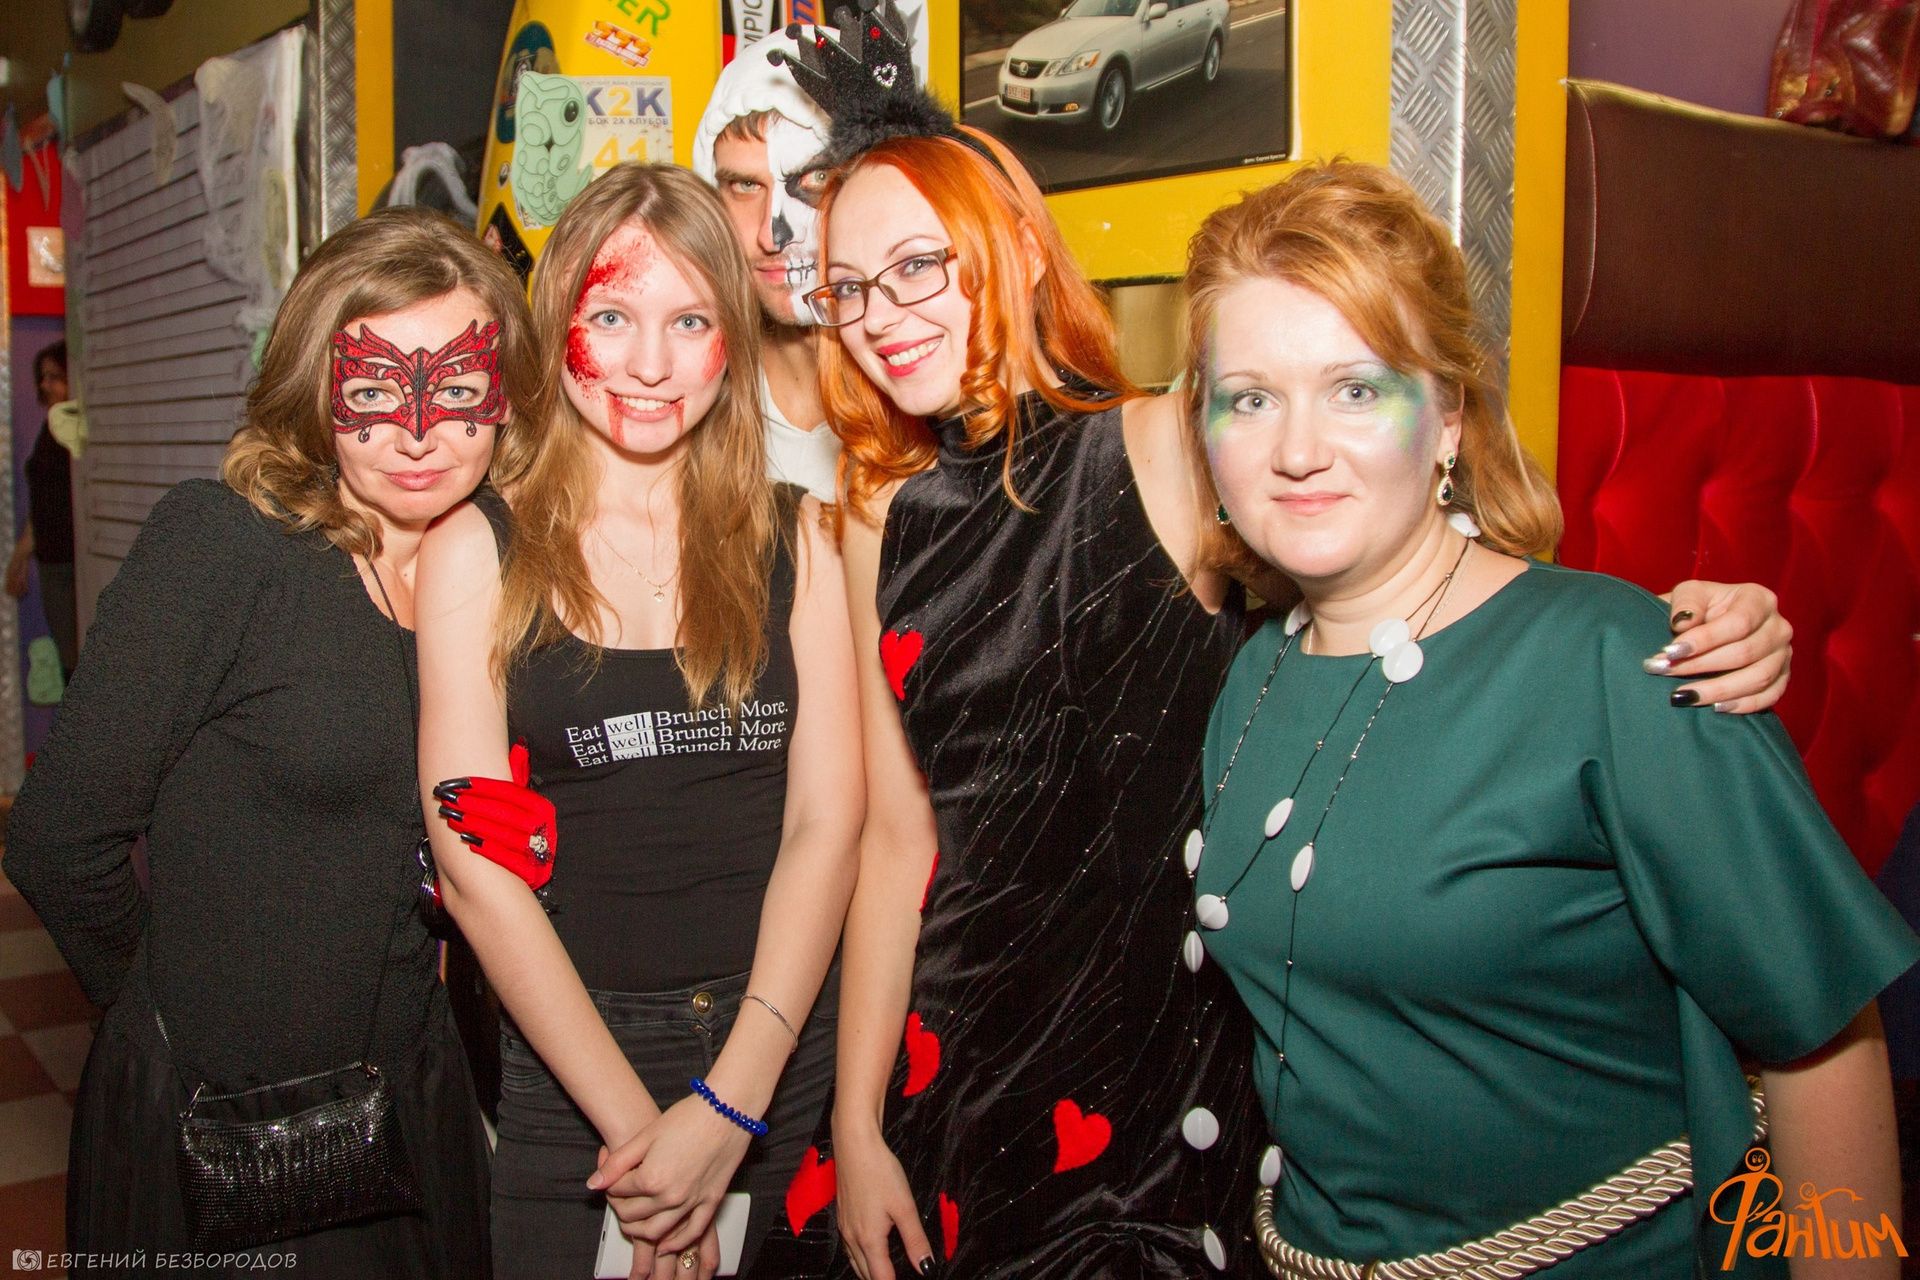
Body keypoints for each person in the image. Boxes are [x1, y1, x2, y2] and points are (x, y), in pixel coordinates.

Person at [786, 40, 1802, 1280]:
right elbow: (900, 839)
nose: (883, 314)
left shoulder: (1159, 443)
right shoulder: (873, 514)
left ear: (1013, 246)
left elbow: (1377, 506)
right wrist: (858, 1118)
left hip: (1160, 1062)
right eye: (848, 288)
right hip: (962, 1046)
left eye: (918, 265)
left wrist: (1696, 618)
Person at [1188, 161, 1916, 1279]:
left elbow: (1825, 1046)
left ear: (1449, 419)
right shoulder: (1252, 678)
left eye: (1356, 389)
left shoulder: (1626, 666)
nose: (1295, 449)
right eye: (1249, 398)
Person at [3, 207, 538, 1276]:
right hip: (221, 1121)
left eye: (457, 390)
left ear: (508, 394)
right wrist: (170, 1026)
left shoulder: (497, 556)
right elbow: (57, 837)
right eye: (374, 393)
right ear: (313, 386)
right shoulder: (225, 548)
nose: (419, 433)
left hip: (412, 1091)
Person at [414, 163, 861, 1280]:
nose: (651, 364)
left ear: (732, 336)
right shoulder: (477, 549)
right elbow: (475, 868)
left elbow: (828, 823)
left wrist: (732, 1102)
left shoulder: (803, 539)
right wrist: (644, 1144)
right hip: (576, 1064)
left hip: (779, 1048)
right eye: (612, 317)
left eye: (690, 320)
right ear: (558, 322)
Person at [692, 36, 843, 501]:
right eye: (744, 185)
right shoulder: (687, 393)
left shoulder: (929, 394)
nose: (771, 235)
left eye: (816, 178)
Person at [7, 340, 78, 676]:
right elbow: (44, 498)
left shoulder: (73, 431)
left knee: (78, 662)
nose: (45, 385)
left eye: (55, 377)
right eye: (43, 377)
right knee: (69, 659)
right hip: (53, 562)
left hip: (70, 563)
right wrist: (22, 553)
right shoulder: (50, 429)